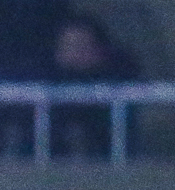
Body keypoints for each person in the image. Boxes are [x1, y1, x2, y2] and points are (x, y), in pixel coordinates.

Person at [51, 14, 141, 159]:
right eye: (68, 46)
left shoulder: (118, 90)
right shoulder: (45, 95)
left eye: (82, 46)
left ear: (99, 50)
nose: (75, 54)